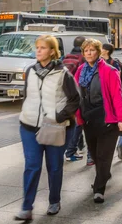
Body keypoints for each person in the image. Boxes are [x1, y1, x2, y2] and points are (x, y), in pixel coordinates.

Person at [15, 35, 80, 220]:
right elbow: (27, 95)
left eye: (43, 48)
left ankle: (54, 201)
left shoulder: (63, 73)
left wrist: (59, 116)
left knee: (54, 167)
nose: (38, 51)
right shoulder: (30, 71)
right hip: (29, 126)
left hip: (55, 127)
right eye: (37, 47)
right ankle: (26, 207)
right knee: (32, 166)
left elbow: (75, 99)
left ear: (52, 51)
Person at [75, 39, 122, 204]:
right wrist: (77, 116)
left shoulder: (109, 71)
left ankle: (99, 189)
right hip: (89, 119)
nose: (89, 53)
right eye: (86, 51)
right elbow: (75, 95)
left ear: (98, 52)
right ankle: (103, 175)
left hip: (107, 119)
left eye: (92, 50)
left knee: (103, 156)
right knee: (96, 155)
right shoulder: (80, 70)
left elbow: (117, 96)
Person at [63, 36, 87, 163]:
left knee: (75, 122)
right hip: (78, 93)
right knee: (78, 123)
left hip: (66, 93)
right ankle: (71, 151)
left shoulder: (67, 56)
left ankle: (77, 147)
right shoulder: (82, 58)